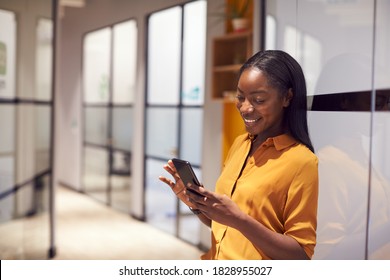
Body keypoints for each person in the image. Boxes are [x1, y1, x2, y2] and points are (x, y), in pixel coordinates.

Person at [159, 50, 319, 260]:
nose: (245, 108)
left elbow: (300, 255)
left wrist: (239, 219)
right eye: (240, 97)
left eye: (258, 100)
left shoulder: (302, 162)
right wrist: (195, 204)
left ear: (287, 97)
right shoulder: (240, 144)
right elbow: (223, 224)